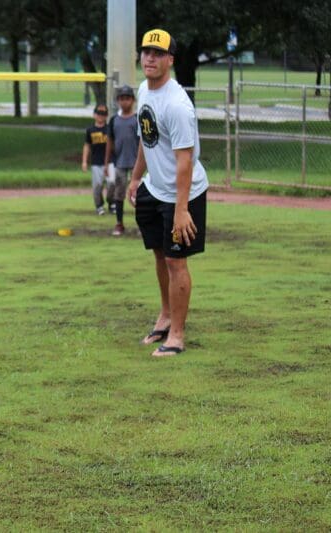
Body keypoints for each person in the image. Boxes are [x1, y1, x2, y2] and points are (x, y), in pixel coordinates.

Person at [127, 29, 209, 357]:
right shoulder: (144, 89)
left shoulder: (178, 105)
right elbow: (146, 140)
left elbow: (185, 160)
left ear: (170, 61)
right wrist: (135, 180)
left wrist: (181, 208)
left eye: (158, 53)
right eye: (146, 51)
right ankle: (164, 316)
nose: (150, 57)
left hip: (182, 193)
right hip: (153, 187)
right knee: (160, 254)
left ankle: (176, 335)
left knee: (176, 260)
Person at [104, 85, 139, 236]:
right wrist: (106, 162)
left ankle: (141, 225)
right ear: (118, 101)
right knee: (119, 194)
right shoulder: (114, 121)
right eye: (122, 99)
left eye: (127, 98)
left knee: (138, 195)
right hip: (119, 162)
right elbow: (109, 142)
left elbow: (143, 143)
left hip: (136, 164)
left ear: (133, 100)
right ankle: (119, 223)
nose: (125, 102)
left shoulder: (137, 119)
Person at [81, 104, 109, 215]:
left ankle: (112, 203)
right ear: (94, 114)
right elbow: (87, 145)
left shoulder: (109, 129)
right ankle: (99, 206)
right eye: (99, 113)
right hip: (96, 162)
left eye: (104, 113)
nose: (101, 116)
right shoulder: (90, 130)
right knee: (97, 185)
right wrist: (84, 161)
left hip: (109, 161)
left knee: (112, 183)